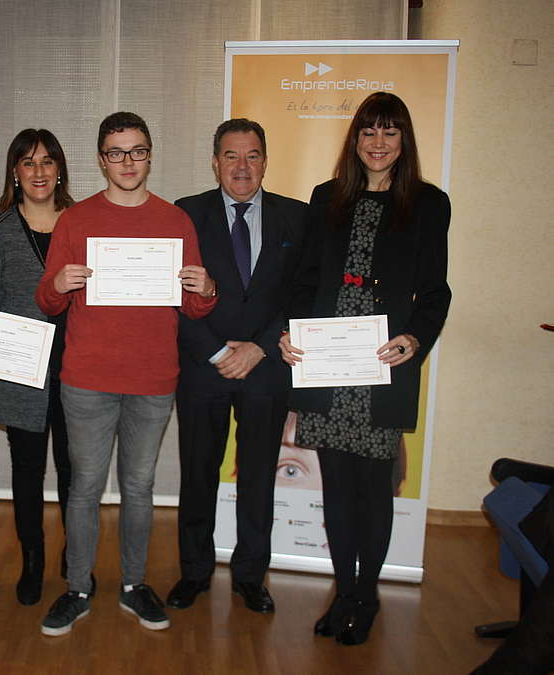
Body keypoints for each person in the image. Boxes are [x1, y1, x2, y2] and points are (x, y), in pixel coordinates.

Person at [280, 92, 452, 645]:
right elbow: (306, 281)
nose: (378, 144)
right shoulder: (327, 197)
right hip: (329, 367)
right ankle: (344, 589)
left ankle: (367, 594)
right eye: (368, 133)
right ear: (354, 140)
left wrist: (414, 338)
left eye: (390, 133)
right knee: (337, 489)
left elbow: (435, 291)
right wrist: (290, 335)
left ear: (404, 142)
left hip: (381, 368)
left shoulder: (428, 203)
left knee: (374, 490)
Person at [35, 111, 217, 636]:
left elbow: (194, 308)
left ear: (150, 156)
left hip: (154, 379)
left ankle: (135, 585)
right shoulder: (75, 221)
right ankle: (76, 587)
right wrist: (59, 284)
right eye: (116, 152)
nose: (127, 161)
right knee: (85, 488)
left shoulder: (174, 222)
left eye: (137, 151)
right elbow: (46, 301)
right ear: (101, 159)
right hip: (87, 378)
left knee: (139, 488)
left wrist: (206, 289)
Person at [168, 119, 307, 613]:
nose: (242, 166)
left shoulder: (298, 217)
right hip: (204, 368)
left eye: (252, 155)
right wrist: (216, 351)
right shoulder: (187, 213)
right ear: (215, 162)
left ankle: (251, 575)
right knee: (198, 474)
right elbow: (172, 295)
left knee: (257, 478)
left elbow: (303, 296)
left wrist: (259, 347)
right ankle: (194, 572)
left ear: (265, 161)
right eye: (231, 156)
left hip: (266, 370)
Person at [0, 129, 74, 606]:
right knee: (27, 474)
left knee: (77, 471)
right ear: (15, 171)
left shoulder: (81, 223)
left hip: (78, 373)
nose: (39, 172)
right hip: (20, 375)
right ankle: (33, 561)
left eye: (47, 162)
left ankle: (77, 553)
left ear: (59, 169)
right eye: (28, 163)